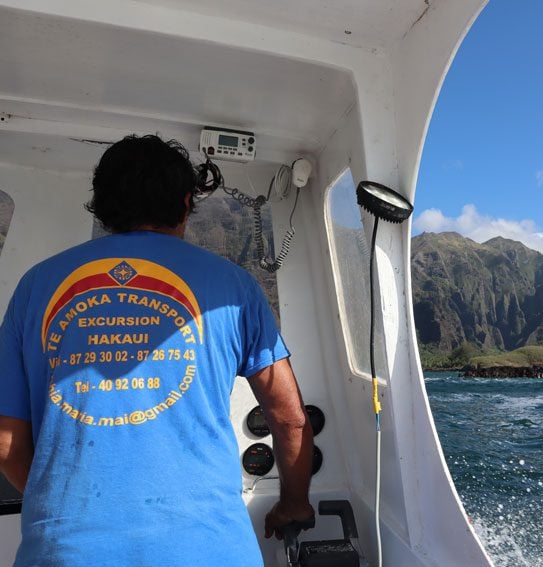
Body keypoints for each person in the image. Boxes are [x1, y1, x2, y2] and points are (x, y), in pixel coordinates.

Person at [0, 134, 314, 565]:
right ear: (185, 203)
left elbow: (6, 444)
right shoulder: (234, 286)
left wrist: (69, 512)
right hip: (210, 550)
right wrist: (293, 504)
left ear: (103, 203)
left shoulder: (36, 285)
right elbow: (290, 420)